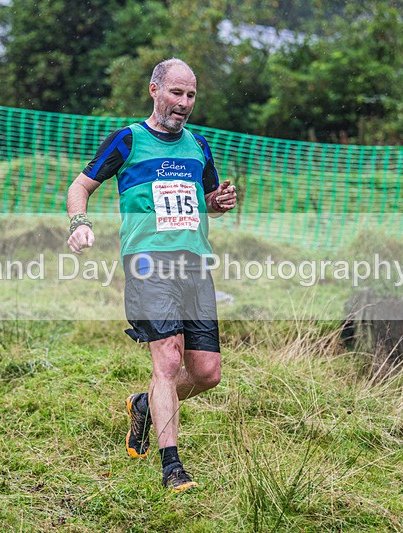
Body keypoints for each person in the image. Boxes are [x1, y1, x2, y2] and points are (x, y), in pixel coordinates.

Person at [66, 58, 237, 492]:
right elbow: (80, 186)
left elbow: (206, 201)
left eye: (191, 95)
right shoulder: (128, 140)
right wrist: (79, 223)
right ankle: (171, 467)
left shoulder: (199, 145)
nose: (184, 102)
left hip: (195, 265)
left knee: (207, 373)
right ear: (154, 90)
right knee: (168, 360)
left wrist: (219, 202)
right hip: (148, 263)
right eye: (176, 92)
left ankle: (144, 405)